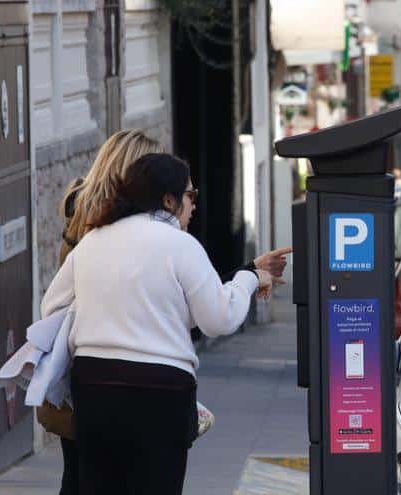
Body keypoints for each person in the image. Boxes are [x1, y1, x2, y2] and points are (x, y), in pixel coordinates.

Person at [42, 153, 276, 494]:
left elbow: (52, 306)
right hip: (160, 391)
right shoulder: (181, 245)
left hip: (94, 387)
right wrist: (247, 279)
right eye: (190, 195)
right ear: (168, 199)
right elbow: (219, 318)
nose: (193, 205)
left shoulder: (93, 241)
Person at [42, 129, 165, 495]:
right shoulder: (124, 220)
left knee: (78, 469)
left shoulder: (78, 200)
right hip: (118, 352)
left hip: (78, 350)